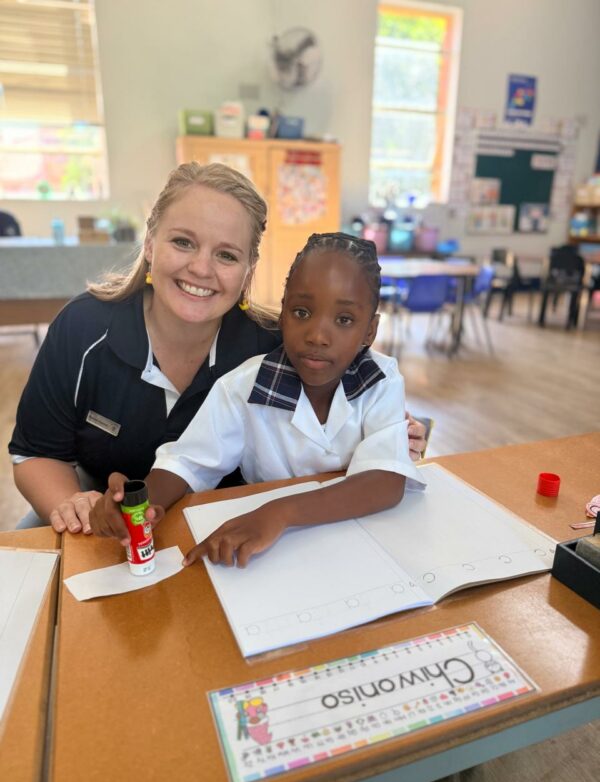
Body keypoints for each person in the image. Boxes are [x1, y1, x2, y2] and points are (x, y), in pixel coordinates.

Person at [8, 164, 427, 534]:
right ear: (151, 243)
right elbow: (38, 453)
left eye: (226, 254)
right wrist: (74, 507)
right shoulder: (84, 328)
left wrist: (392, 436)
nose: (201, 269)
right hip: (98, 511)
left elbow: (343, 408)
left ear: (248, 272)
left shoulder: (277, 348)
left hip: (224, 523)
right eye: (184, 242)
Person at [89, 233, 426, 567]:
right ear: (282, 313)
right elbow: (188, 462)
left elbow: (385, 482)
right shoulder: (241, 388)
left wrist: (280, 512)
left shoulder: (382, 379)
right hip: (276, 559)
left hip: (363, 550)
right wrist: (140, 502)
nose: (318, 336)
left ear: (370, 331)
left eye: (344, 320)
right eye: (302, 312)